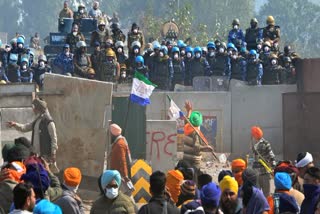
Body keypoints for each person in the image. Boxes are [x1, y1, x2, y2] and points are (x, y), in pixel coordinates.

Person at [7, 98, 58, 162]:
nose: (33, 109)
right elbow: (25, 127)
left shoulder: (49, 122)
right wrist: (15, 124)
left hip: (45, 156)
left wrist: (53, 153)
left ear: (38, 108)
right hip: (36, 155)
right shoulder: (37, 121)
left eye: (34, 107)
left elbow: (54, 138)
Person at [183, 101, 213, 181]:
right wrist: (206, 148)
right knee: (194, 179)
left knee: (187, 177)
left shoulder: (188, 126)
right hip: (194, 160)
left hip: (186, 158)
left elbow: (187, 120)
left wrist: (189, 111)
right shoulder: (195, 133)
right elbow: (196, 147)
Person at [109, 124, 133, 196]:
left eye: (110, 134)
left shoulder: (119, 144)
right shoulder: (119, 142)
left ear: (113, 134)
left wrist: (125, 176)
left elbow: (123, 161)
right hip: (117, 174)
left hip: (120, 175)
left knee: (126, 194)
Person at [251, 126, 276, 197]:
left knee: (266, 195)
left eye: (253, 134)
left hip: (264, 172)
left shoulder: (265, 143)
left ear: (256, 134)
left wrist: (273, 168)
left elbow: (271, 156)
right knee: (256, 195)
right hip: (256, 173)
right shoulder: (254, 144)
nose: (252, 136)